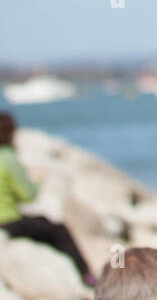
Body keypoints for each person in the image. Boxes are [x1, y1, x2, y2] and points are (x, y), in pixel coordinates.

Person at [0, 112, 96, 287]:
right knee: (59, 230)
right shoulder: (7, 157)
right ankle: (86, 275)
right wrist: (38, 180)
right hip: (8, 221)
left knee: (43, 222)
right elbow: (28, 195)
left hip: (7, 221)